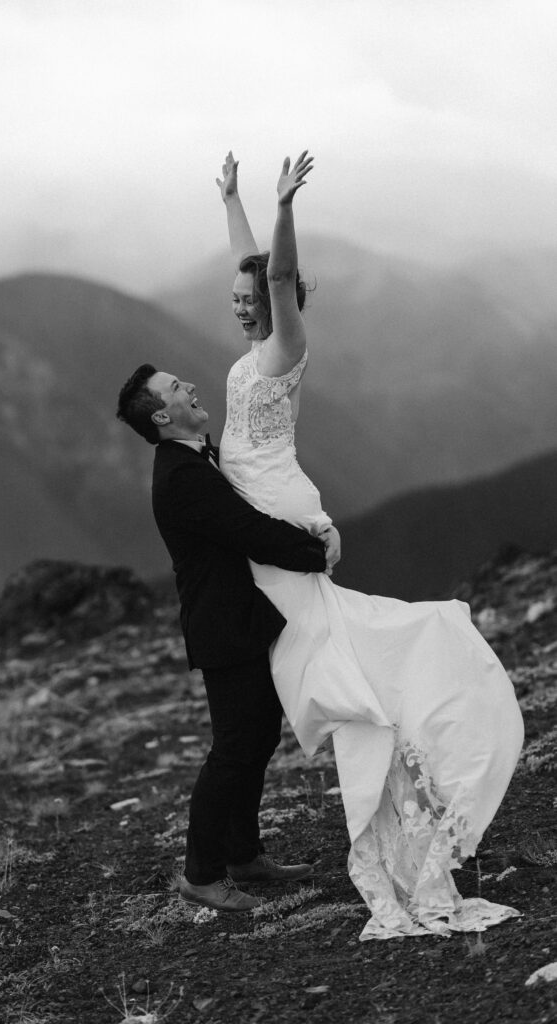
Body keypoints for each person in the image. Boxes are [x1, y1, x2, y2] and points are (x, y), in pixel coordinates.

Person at [214, 149, 525, 940]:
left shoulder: (284, 351)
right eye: (237, 301)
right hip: (265, 513)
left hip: (274, 517)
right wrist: (231, 199)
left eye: (250, 301)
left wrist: (282, 209)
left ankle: (388, 754)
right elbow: (253, 271)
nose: (242, 309)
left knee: (329, 659)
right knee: (321, 653)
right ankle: (370, 727)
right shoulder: (254, 348)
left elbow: (275, 279)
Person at [116, 365, 337, 913]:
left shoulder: (191, 458)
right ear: (163, 415)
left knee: (257, 740)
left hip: (239, 619)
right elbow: (249, 532)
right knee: (235, 749)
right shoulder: (182, 475)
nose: (189, 385)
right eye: (175, 388)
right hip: (223, 626)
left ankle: (243, 855)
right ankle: (202, 874)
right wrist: (316, 552)